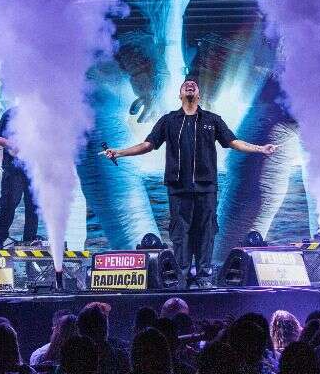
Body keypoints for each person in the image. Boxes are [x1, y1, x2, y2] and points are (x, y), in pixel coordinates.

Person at [103, 78, 278, 281]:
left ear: (198, 95)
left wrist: (260, 148)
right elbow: (147, 145)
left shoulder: (212, 120)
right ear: (180, 95)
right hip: (178, 189)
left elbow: (233, 141)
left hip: (206, 188)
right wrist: (119, 152)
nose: (190, 85)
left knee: (206, 233)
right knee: (180, 234)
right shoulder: (168, 121)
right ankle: (182, 277)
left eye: (194, 85)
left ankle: (204, 276)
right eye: (186, 85)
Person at [0, 106, 39, 248]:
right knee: (9, 203)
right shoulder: (11, 113)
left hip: (35, 168)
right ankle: (0, 239)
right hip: (14, 168)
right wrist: (13, 144)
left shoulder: (43, 113)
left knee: (34, 205)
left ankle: (30, 239)